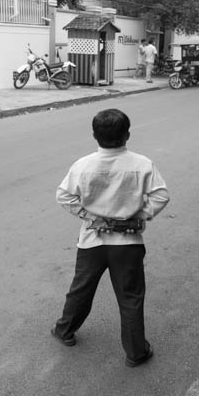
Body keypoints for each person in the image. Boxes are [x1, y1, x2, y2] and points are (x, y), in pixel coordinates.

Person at [52, 109, 170, 367]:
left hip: (92, 241)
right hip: (128, 244)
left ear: (94, 136)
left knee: (81, 290)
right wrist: (138, 216)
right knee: (130, 298)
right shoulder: (142, 164)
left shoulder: (82, 165)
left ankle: (65, 331)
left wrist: (91, 217)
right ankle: (136, 352)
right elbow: (161, 195)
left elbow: (63, 196)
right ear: (127, 134)